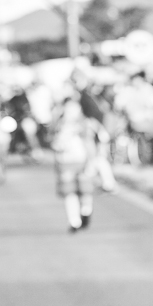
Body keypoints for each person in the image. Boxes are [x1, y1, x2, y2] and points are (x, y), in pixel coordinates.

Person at [51, 96, 95, 231]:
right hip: (65, 162)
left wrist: (91, 162)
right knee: (69, 192)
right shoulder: (58, 125)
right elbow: (54, 144)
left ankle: (86, 211)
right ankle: (74, 220)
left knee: (85, 191)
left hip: (82, 161)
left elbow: (90, 144)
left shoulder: (84, 125)